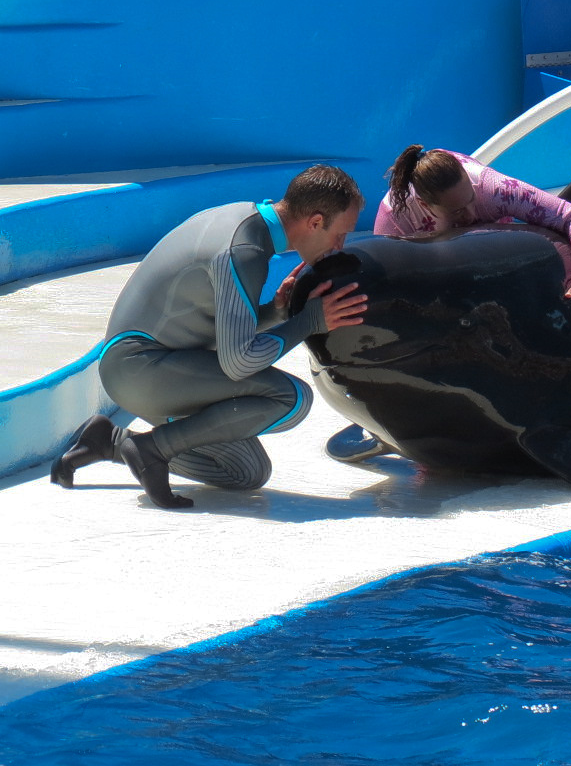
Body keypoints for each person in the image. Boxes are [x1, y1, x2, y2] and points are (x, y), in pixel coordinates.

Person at [49, 165, 369, 508]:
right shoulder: (244, 250)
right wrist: (310, 321)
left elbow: (216, 328)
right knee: (292, 399)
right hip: (139, 369)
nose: (340, 246)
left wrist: (276, 312)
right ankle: (152, 449)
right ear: (316, 222)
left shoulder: (247, 222)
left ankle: (110, 441)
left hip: (158, 366)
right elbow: (239, 361)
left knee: (246, 472)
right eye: (340, 234)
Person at [326, 144, 571, 463]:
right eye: (456, 212)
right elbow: (389, 287)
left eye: (469, 202)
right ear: (425, 205)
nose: (469, 214)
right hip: (445, 269)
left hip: (493, 252)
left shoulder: (490, 188)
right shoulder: (397, 217)